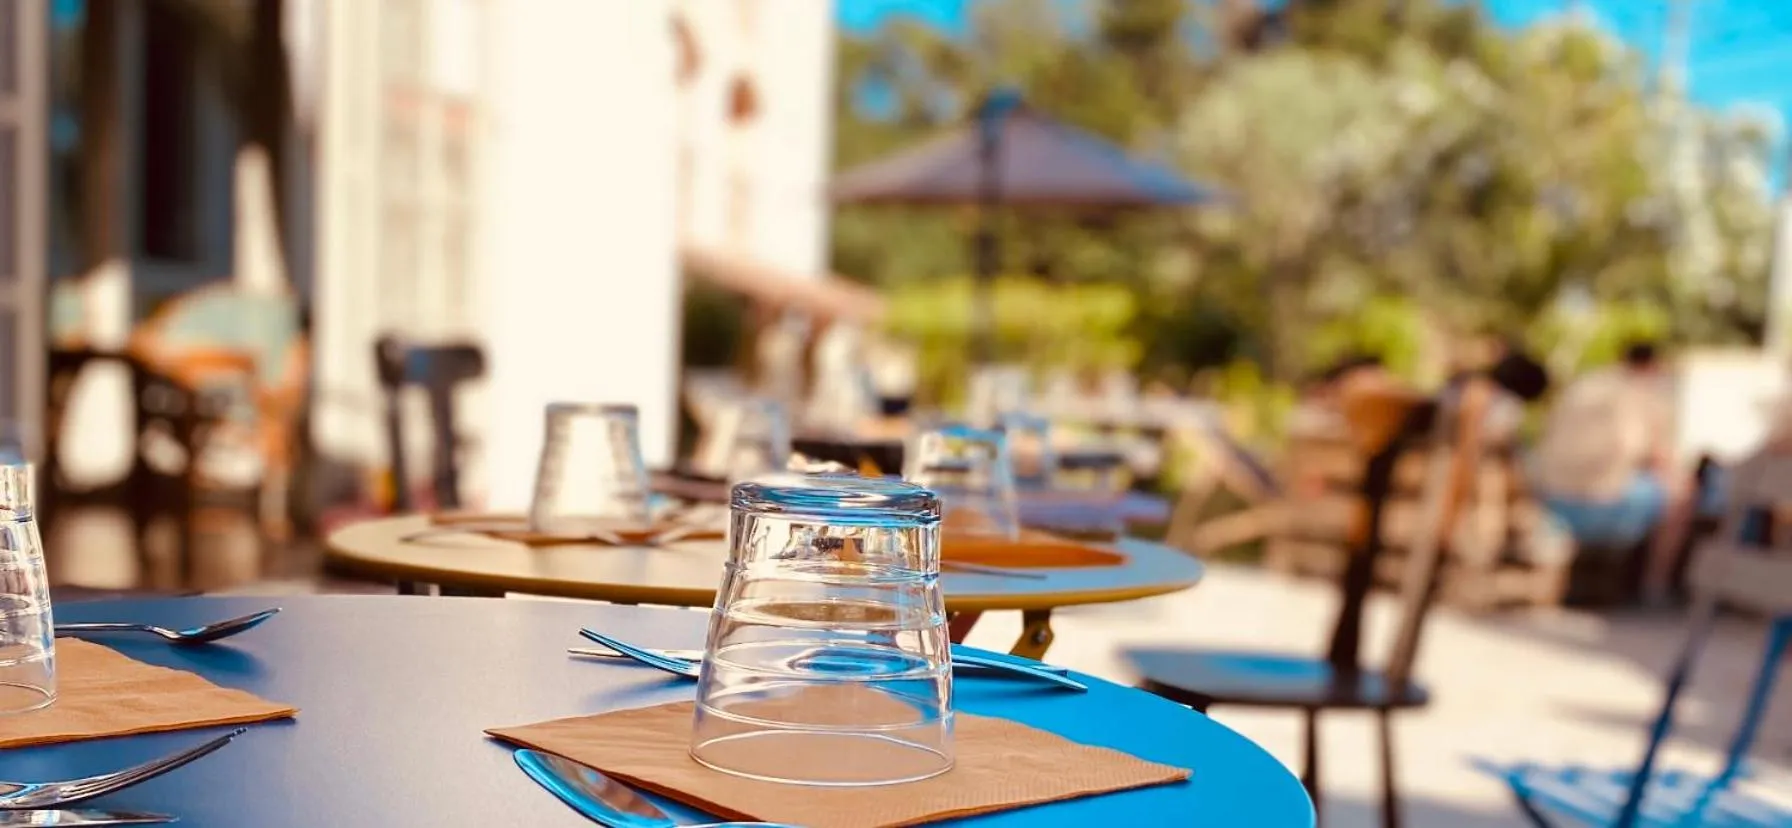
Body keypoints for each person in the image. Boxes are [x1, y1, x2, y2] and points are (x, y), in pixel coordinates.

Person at [1529, 341, 1689, 603]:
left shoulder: (1583, 385)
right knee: (1680, 498)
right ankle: (1654, 586)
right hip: (1603, 503)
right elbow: (1652, 453)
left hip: (1549, 497)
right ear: (1651, 366)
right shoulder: (1639, 393)